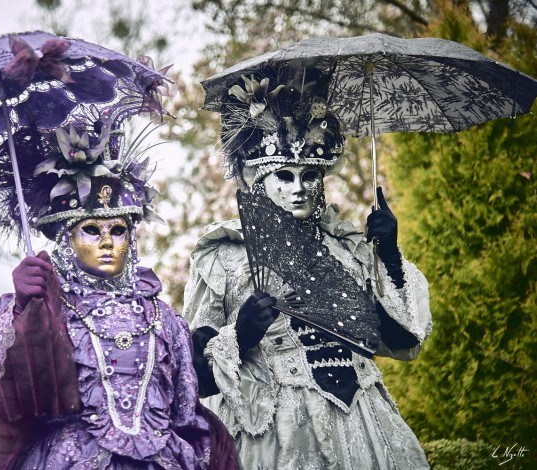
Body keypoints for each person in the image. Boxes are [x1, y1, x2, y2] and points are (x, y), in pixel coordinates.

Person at [0, 113, 239, 467]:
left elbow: (185, 411)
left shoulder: (164, 318)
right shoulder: (38, 308)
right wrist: (29, 316)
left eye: (118, 230)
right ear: (66, 238)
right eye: (91, 229)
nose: (107, 242)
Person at [183, 66, 432, 469]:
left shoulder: (346, 248)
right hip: (276, 432)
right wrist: (240, 336)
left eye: (310, 175)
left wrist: (386, 252)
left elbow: (399, 340)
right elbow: (191, 377)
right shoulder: (224, 256)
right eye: (284, 175)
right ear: (257, 179)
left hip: (364, 424)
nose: (299, 187)